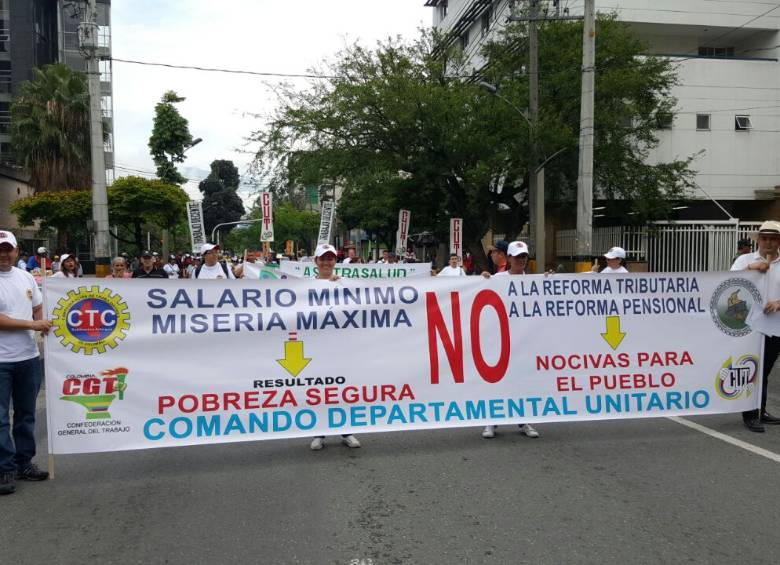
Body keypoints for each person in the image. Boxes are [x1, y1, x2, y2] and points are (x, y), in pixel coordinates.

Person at [0, 230, 52, 494]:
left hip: (28, 358)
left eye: (8, 249)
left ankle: (24, 463)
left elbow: (37, 306)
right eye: (0, 249)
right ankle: (4, 469)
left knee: (26, 415)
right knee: (0, 419)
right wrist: (33, 324)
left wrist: (41, 324)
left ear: (17, 251)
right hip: (2, 361)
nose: (4, 254)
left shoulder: (26, 276)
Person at [481, 240, 540, 440]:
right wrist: (483, 280)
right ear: (509, 258)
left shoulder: (534, 282)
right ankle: (491, 421)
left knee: (522, 381)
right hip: (500, 341)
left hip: (524, 341)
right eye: (517, 257)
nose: (521, 260)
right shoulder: (498, 278)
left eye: (524, 256)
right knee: (496, 381)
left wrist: (550, 281)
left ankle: (524, 420)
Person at [309, 243, 361, 451]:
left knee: (342, 389)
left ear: (335, 261)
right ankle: (318, 433)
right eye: (323, 258)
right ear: (316, 261)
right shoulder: (306, 287)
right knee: (318, 391)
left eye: (330, 258)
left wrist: (338, 285)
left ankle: (346, 431)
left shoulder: (345, 284)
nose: (327, 262)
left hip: (340, 345)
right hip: (316, 347)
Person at [730, 220, 780, 433]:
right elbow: (729, 283)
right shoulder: (744, 259)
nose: (767, 243)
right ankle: (750, 413)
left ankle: (760, 410)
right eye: (764, 238)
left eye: (773, 239)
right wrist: (751, 268)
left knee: (765, 369)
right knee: (750, 366)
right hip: (748, 324)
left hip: (775, 325)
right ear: (758, 240)